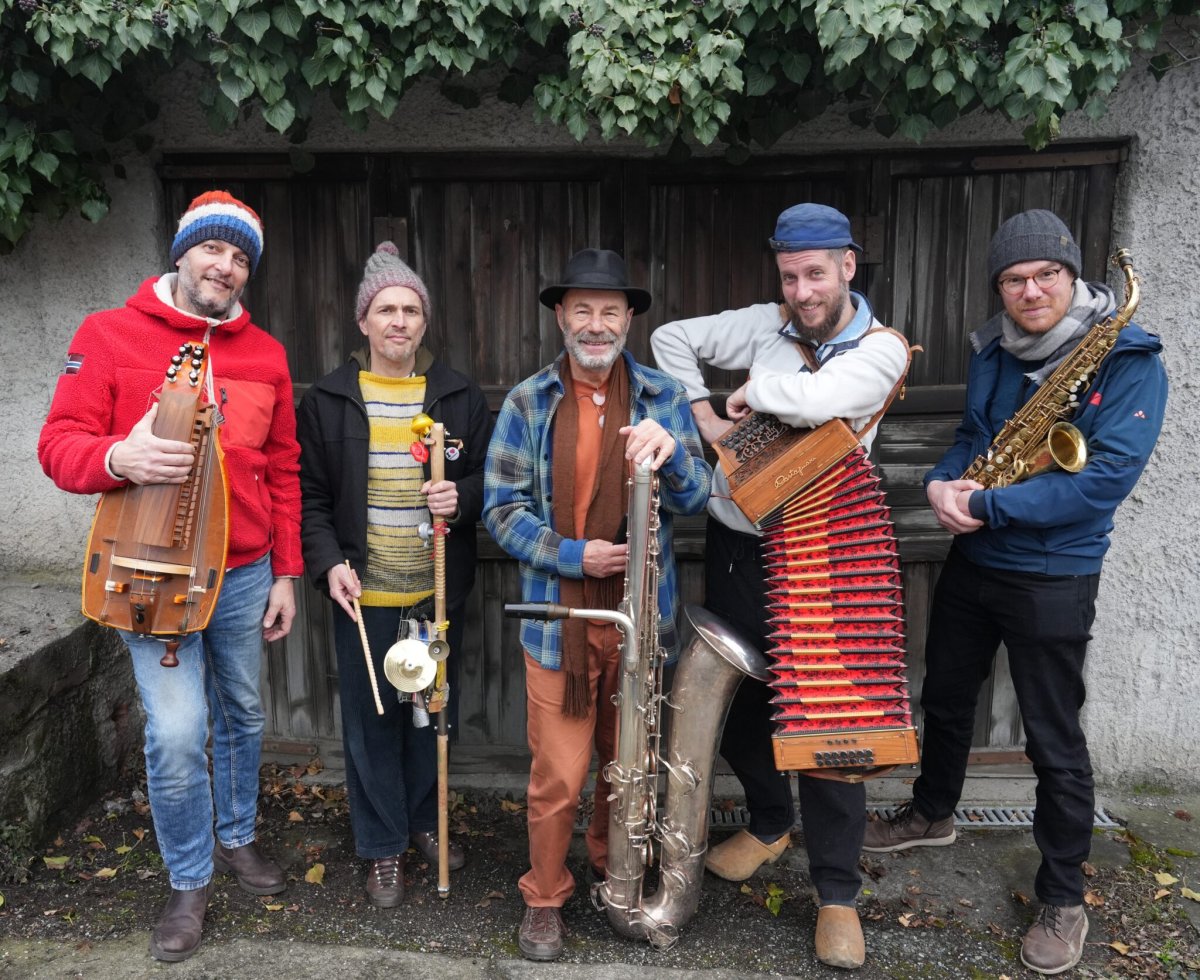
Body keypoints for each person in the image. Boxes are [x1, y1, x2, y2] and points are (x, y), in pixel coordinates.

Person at [862, 209, 1167, 975]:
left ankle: (1063, 897)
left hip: (1055, 574)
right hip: (976, 563)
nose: (1030, 291)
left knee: (1053, 739)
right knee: (946, 697)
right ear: (999, 288)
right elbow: (974, 437)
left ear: (1072, 276)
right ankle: (933, 813)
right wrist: (943, 481)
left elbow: (1103, 482)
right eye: (1013, 280)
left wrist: (989, 505)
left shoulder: (1129, 359)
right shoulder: (993, 348)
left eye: (1045, 275)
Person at [37, 191, 301, 962]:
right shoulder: (107, 334)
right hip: (148, 575)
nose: (226, 267)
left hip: (246, 572)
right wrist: (117, 456)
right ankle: (189, 881)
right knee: (181, 730)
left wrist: (286, 573)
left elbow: (284, 467)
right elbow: (58, 443)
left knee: (243, 712)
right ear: (183, 252)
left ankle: (236, 833)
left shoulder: (267, 354)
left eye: (241, 258)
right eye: (213, 249)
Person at [650, 203, 911, 970]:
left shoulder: (883, 348)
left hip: (826, 555)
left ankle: (837, 897)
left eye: (816, 274)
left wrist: (751, 391)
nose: (802, 291)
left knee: (829, 726)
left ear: (848, 267)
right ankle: (770, 823)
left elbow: (816, 400)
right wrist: (705, 413)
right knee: (732, 706)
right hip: (739, 544)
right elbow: (670, 340)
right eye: (790, 276)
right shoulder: (768, 323)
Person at [483, 248, 712, 962]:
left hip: (642, 622)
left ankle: (618, 881)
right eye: (581, 309)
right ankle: (544, 896)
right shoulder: (527, 402)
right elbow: (500, 510)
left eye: (610, 311)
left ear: (628, 320)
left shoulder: (662, 395)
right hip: (563, 624)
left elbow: (698, 496)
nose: (595, 324)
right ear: (560, 315)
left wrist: (675, 452)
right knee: (557, 778)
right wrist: (573, 555)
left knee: (630, 767)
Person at [297, 242, 492, 907]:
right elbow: (311, 497)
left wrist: (460, 497)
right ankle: (382, 845)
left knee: (430, 715)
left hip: (435, 593)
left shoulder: (458, 396)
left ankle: (422, 822)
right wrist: (328, 564)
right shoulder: (329, 399)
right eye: (386, 310)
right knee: (372, 719)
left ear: (424, 321)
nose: (399, 321)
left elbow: (490, 480)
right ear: (364, 321)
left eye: (411, 310)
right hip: (365, 594)